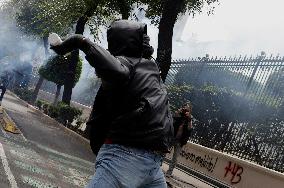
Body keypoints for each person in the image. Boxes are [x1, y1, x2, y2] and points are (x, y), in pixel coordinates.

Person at [50, 20, 174, 188]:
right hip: (125, 158)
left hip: (153, 163)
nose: (147, 39)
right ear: (129, 40)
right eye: (141, 35)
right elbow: (115, 70)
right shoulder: (126, 63)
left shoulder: (148, 66)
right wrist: (81, 41)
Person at [166, 102, 193, 176]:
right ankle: (157, 167)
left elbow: (189, 129)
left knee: (175, 158)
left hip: (180, 141)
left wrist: (189, 119)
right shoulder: (179, 114)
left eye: (187, 109)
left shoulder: (190, 118)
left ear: (190, 110)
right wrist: (180, 110)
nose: (185, 110)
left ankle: (169, 172)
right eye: (185, 108)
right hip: (172, 137)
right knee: (163, 151)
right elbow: (171, 118)